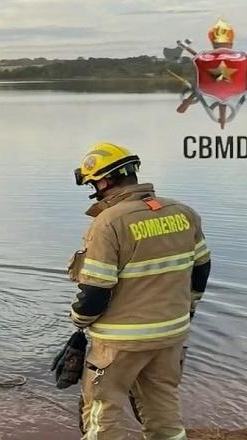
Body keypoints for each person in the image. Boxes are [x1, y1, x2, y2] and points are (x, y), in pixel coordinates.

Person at [68, 143, 211, 440]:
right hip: (171, 335)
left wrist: (77, 323)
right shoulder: (183, 213)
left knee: (102, 415)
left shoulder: (109, 223)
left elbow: (94, 293)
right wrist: (189, 309)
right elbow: (201, 269)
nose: (94, 188)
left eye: (93, 182)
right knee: (164, 412)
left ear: (105, 180)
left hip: (120, 341)